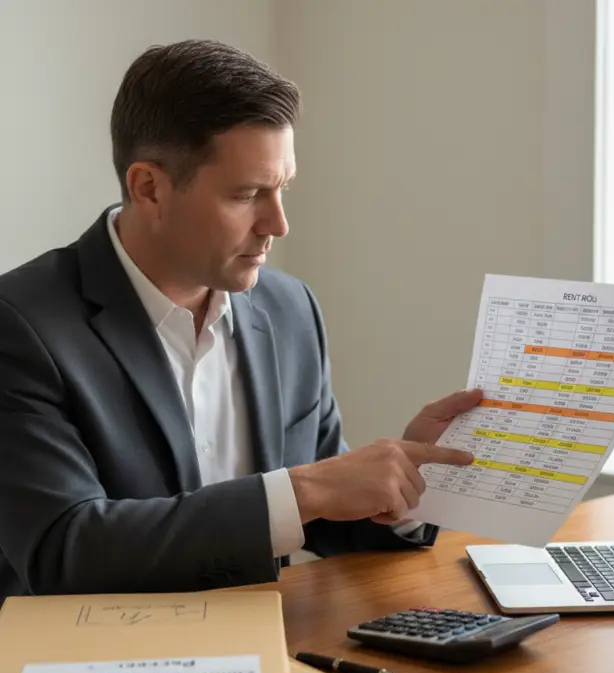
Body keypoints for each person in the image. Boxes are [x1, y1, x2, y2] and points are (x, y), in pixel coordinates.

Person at [0, 39, 480, 600]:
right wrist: (302, 491)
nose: (277, 224)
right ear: (148, 188)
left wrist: (406, 482)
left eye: (282, 190)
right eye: (247, 194)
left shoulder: (291, 309)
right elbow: (65, 552)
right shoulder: (21, 325)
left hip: (272, 653)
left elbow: (326, 512)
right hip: (90, 672)